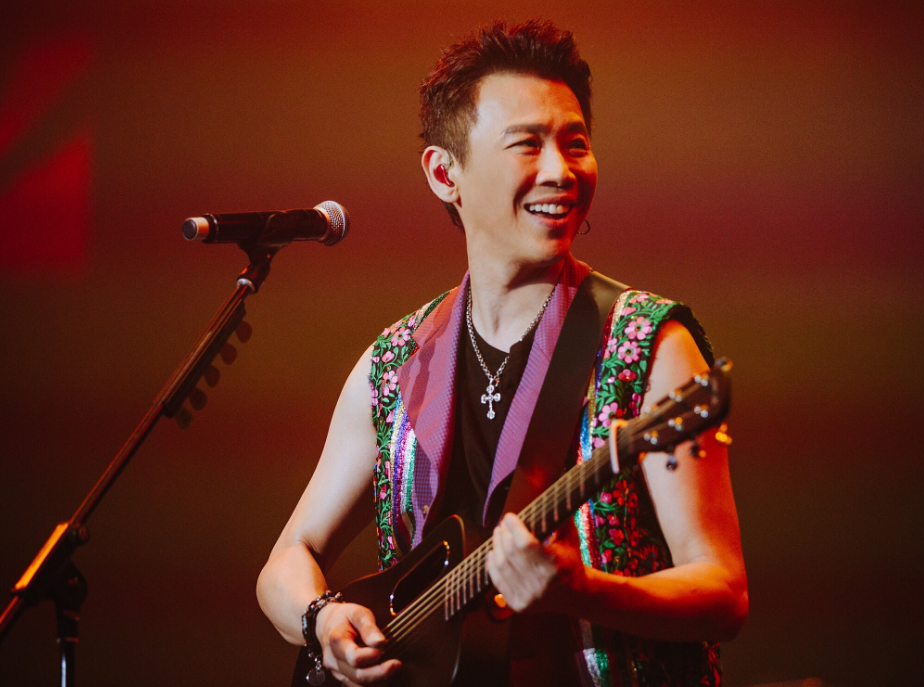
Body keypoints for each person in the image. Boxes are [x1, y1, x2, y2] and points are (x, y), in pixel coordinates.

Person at [257, 20, 747, 687]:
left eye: (576, 143)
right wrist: (322, 619)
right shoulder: (394, 364)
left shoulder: (646, 346)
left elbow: (724, 590)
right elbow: (286, 560)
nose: (561, 170)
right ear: (444, 173)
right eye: (527, 144)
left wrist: (583, 591)